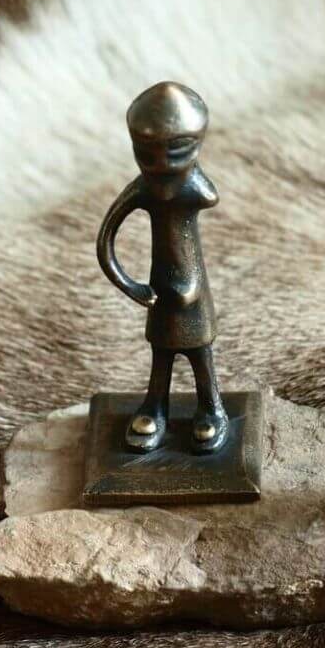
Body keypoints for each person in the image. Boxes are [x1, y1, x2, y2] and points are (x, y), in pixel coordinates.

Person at [97, 81, 229, 454]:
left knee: (201, 354)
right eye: (149, 153)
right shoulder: (146, 189)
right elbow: (105, 241)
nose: (163, 166)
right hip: (161, 293)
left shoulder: (191, 186)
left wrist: (184, 288)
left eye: (176, 151)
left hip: (192, 293)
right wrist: (132, 287)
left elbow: (209, 194)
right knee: (162, 355)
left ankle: (211, 409)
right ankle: (155, 407)